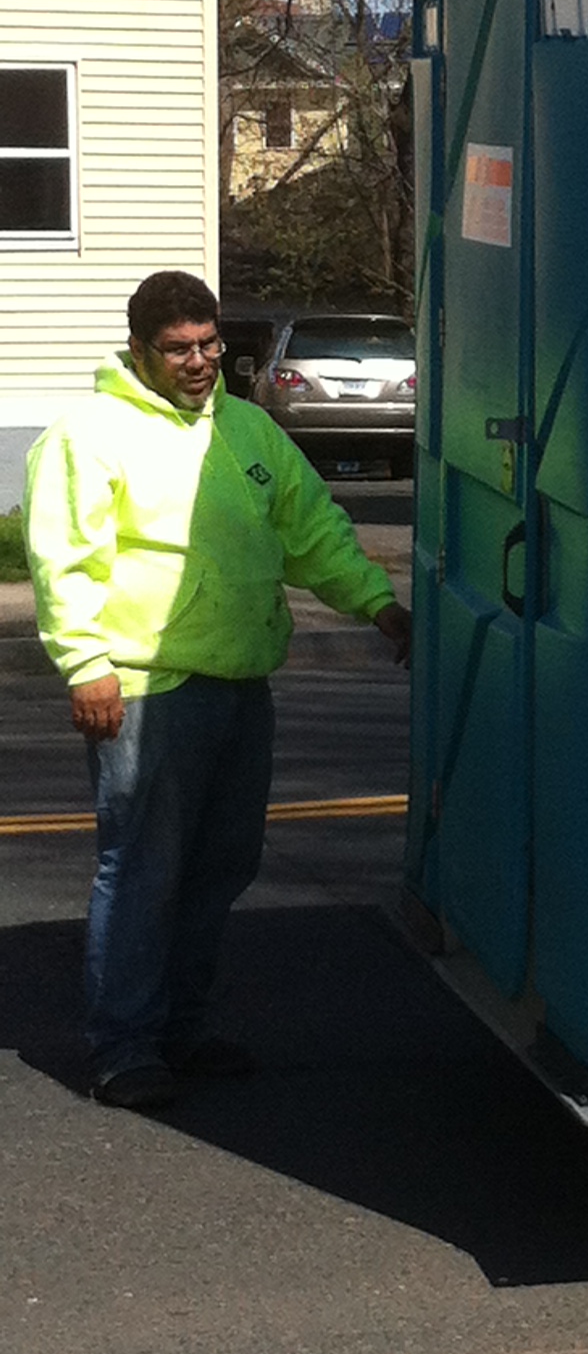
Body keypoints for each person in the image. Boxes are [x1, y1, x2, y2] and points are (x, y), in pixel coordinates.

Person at [23, 272, 411, 1111]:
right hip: (144, 687)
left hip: (238, 684)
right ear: (139, 350)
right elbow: (66, 557)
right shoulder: (89, 435)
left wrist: (378, 605)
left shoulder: (248, 430)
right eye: (179, 349)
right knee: (142, 872)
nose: (199, 362)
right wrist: (86, 665)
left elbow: (312, 533)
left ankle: (181, 1031)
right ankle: (123, 1047)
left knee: (219, 868)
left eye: (209, 345)